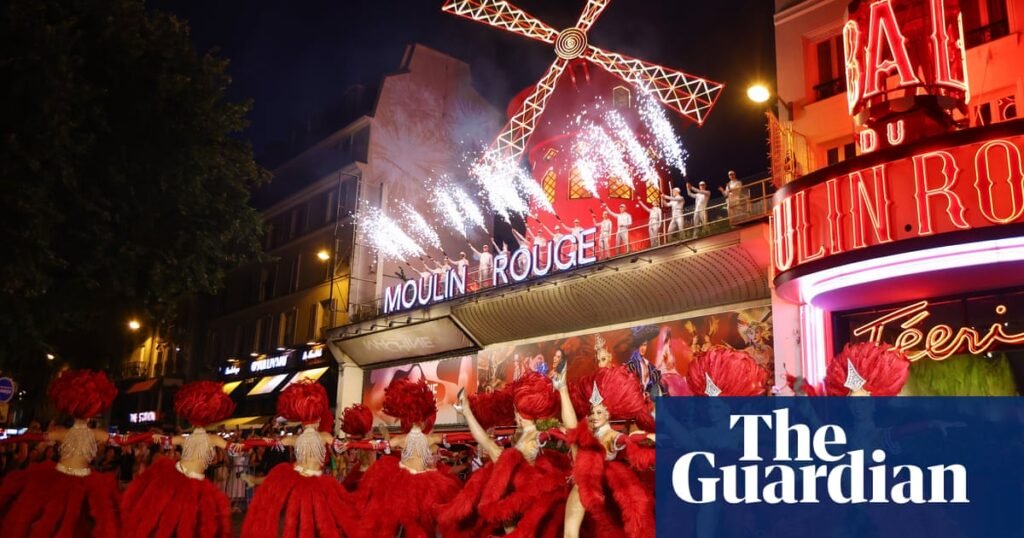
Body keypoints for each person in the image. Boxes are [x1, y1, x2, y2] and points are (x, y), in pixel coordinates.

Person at [440, 373, 571, 537]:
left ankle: (466, 411)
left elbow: (492, 449)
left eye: (515, 409)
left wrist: (563, 391)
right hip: (519, 492)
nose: (514, 414)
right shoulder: (529, 434)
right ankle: (466, 411)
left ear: (519, 411)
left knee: (497, 454)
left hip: (527, 495)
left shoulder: (535, 436)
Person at [0, 370, 120, 537]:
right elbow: (125, 440)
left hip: (67, 480)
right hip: (70, 480)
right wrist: (157, 438)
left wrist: (7, 440)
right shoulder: (94, 434)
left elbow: (28, 436)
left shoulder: (63, 432)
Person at [342, 378, 461, 538]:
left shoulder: (406, 440)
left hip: (415, 482)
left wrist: (352, 444)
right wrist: (352, 445)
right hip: (414, 483)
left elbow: (377, 446)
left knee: (412, 522)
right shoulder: (425, 439)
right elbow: (376, 446)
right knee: (413, 522)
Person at [121, 381, 236, 538]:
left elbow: (161, 439)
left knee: (181, 523)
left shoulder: (195, 438)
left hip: (186, 481)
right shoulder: (207, 439)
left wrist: (136, 438)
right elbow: (238, 447)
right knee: (179, 523)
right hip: (181, 480)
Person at [240, 381, 355, 538]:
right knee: (318, 522)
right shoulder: (323, 436)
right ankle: (255, 480)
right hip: (313, 482)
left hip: (298, 480)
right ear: (317, 419)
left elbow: (275, 441)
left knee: (296, 519)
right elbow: (341, 446)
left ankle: (255, 480)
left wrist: (265, 440)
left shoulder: (296, 438)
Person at [556, 366, 655, 538]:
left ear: (608, 415)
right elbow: (571, 429)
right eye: (592, 412)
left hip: (601, 490)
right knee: (570, 534)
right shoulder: (586, 434)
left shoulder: (612, 436)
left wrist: (648, 437)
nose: (594, 416)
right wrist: (562, 390)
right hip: (581, 485)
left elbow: (627, 441)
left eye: (599, 412)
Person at [624, 325, 667, 398]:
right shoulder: (631, 365)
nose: (643, 348)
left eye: (645, 345)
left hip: (649, 397)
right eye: (640, 345)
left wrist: (649, 391)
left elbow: (655, 379)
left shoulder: (649, 365)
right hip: (637, 398)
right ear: (636, 346)